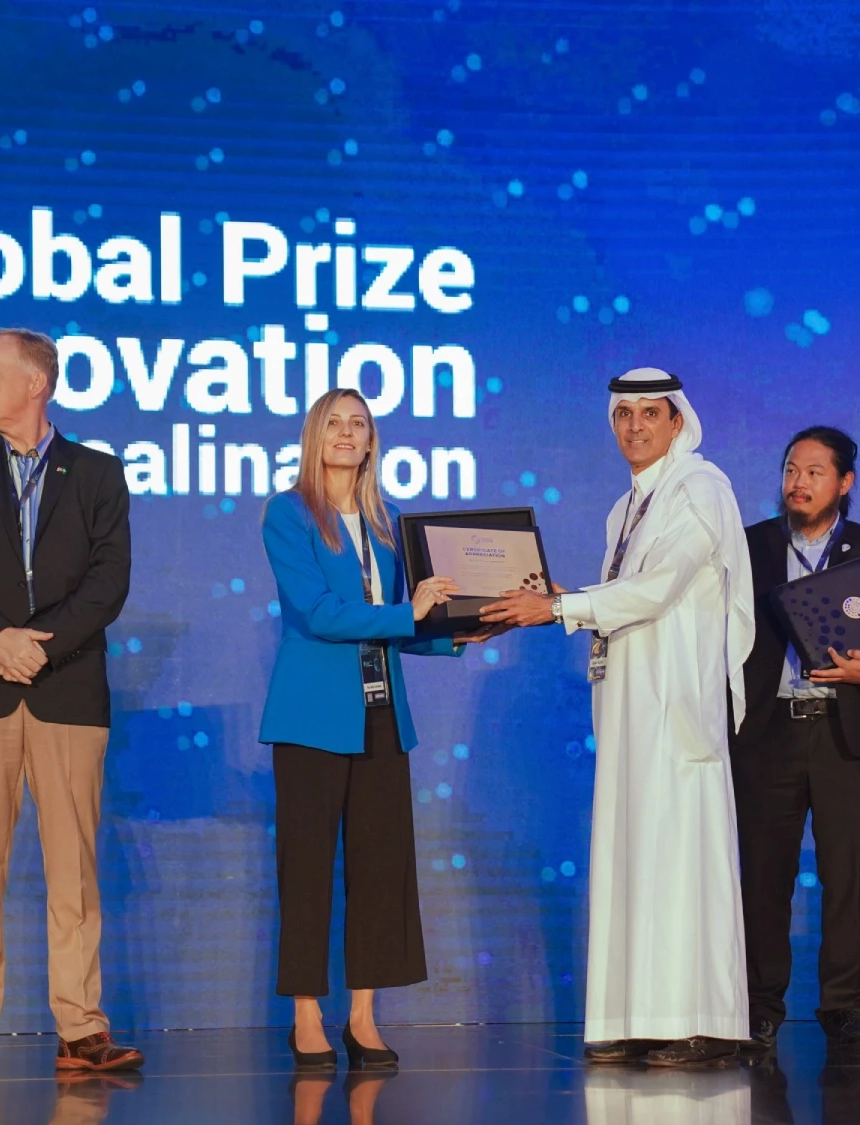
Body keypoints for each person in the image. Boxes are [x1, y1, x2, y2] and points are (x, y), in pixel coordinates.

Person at [482, 367, 754, 1068]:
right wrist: (558, 598)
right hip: (631, 709)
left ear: (676, 421)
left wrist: (559, 607)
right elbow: (624, 594)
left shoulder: (700, 487)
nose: (635, 427)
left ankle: (704, 1024)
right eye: (623, 414)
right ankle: (636, 1019)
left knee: (681, 861)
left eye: (649, 413)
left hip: (676, 707)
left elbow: (659, 588)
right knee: (633, 858)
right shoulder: (625, 508)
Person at [0, 328, 140, 1077]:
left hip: (67, 689)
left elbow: (108, 582)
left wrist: (41, 644)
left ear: (36, 382)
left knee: (72, 866)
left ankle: (81, 1027)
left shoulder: (98, 473)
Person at [260, 387, 494, 1071]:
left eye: (358, 423)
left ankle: (363, 1016)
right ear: (315, 435)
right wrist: (411, 614)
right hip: (311, 717)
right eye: (334, 422)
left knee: (380, 869)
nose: (346, 432)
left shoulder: (388, 522)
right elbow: (319, 614)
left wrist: (455, 633)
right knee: (307, 869)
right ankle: (307, 1015)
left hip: (382, 715)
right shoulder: (287, 512)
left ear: (370, 442)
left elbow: (398, 623)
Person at [729, 427, 860, 1053]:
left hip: (843, 732)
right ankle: (759, 1007)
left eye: (813, 472)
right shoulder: (748, 546)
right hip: (768, 731)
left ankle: (847, 1008)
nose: (798, 482)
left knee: (848, 877)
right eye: (791, 469)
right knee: (764, 877)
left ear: (844, 482)